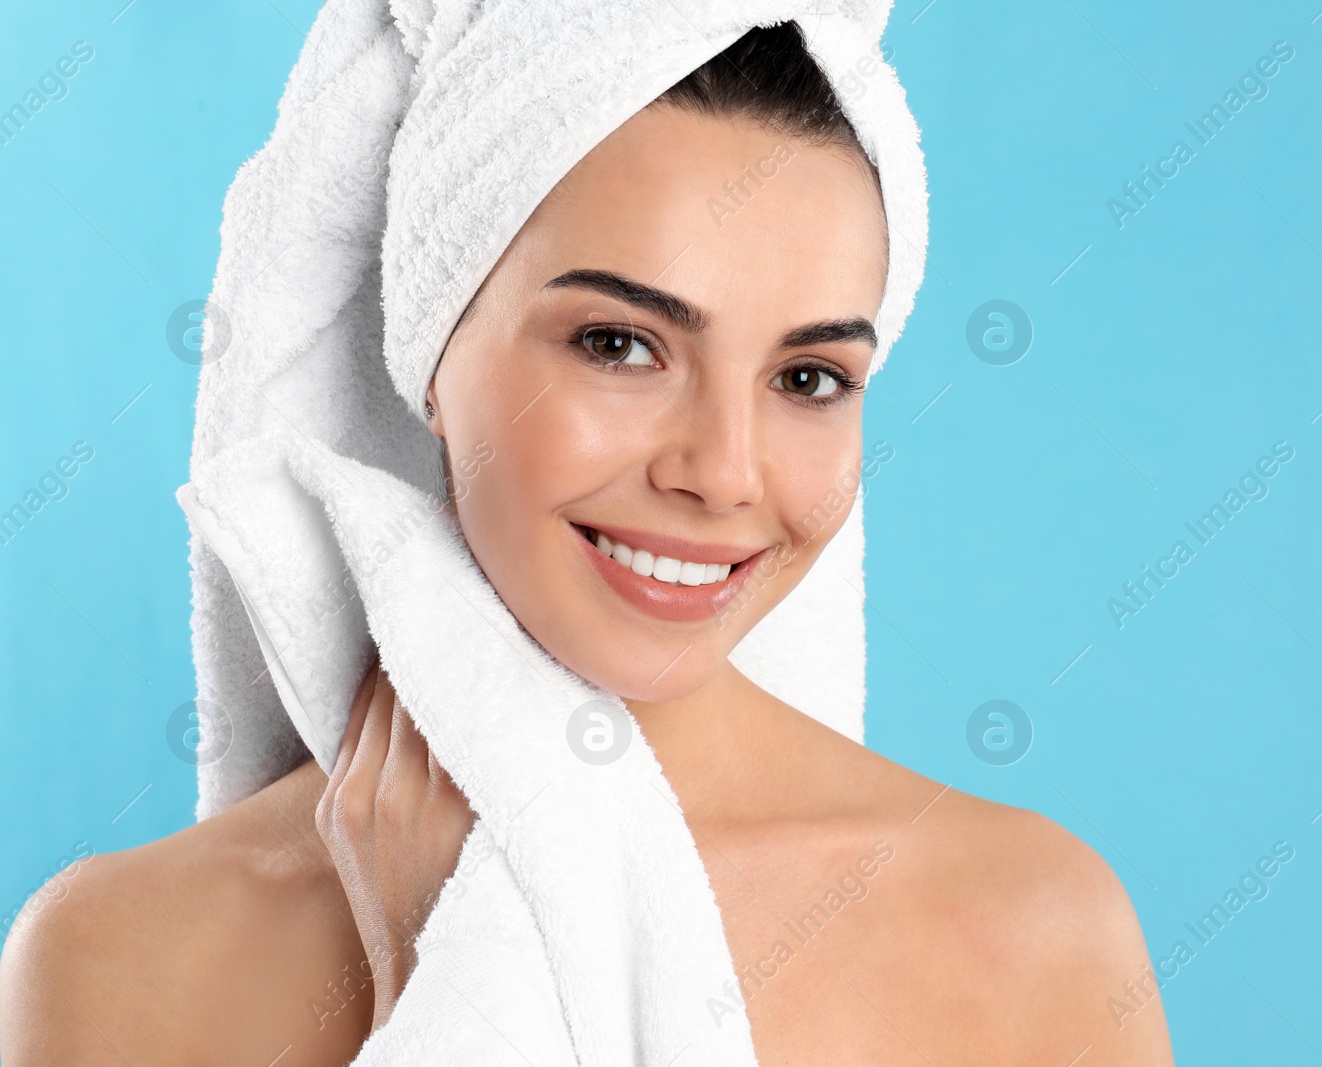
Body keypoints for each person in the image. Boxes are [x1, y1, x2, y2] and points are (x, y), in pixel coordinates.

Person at [0, 24, 1173, 1065]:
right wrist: (449, 991)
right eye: (619, 344)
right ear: (430, 351)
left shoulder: (1028, 928)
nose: (722, 470)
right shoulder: (126, 953)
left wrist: (454, 979)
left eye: (808, 377)